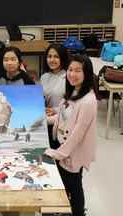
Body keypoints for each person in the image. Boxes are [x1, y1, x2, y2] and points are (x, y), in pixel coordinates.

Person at [44, 55, 98, 216]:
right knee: (67, 184)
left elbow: (77, 134)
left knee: (74, 186)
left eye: (78, 71)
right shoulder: (73, 91)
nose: (72, 74)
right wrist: (42, 121)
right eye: (70, 70)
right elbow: (62, 118)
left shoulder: (88, 101)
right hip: (64, 147)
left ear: (86, 73)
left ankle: (78, 212)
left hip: (73, 152)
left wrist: (58, 154)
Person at [40, 43, 68, 149]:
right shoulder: (44, 77)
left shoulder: (68, 77)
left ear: (63, 58)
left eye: (56, 57)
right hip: (45, 122)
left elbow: (73, 105)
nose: (52, 60)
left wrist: (55, 110)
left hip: (61, 123)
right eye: (49, 56)